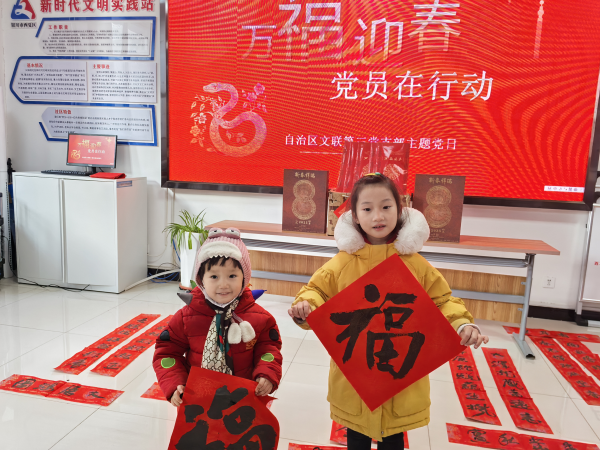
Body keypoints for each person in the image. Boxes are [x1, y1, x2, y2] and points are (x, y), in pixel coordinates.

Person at [288, 173, 489, 450]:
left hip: (399, 365)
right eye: (367, 209)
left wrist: (463, 324)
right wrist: (306, 306)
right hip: (357, 369)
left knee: (393, 437)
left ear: (400, 209)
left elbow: (442, 300)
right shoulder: (343, 263)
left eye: (386, 206)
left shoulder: (415, 264)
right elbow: (316, 291)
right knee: (356, 435)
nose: (378, 216)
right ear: (355, 216)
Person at [153, 227, 283, 407]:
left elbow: (269, 349)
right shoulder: (186, 317)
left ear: (244, 278)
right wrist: (175, 385)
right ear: (201, 279)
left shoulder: (260, 318)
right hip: (199, 402)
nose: (223, 284)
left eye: (232, 276)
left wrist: (266, 374)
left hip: (243, 400)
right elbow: (167, 353)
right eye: (214, 276)